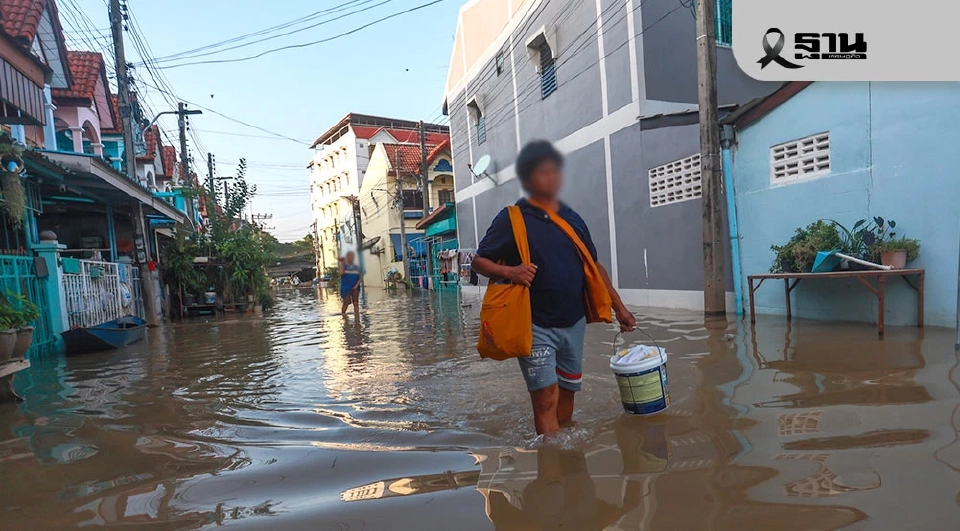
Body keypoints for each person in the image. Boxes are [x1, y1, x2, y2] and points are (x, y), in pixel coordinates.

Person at [472, 140, 637, 436]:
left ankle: (563, 461)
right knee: (546, 400)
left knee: (568, 395)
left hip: (574, 323)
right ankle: (551, 467)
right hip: (534, 325)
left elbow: (594, 266)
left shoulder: (572, 219)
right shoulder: (511, 219)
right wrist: (511, 271)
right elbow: (478, 262)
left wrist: (620, 308)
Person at [339, 251, 362, 318]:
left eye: (352, 256)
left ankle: (357, 318)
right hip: (345, 288)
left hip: (355, 288)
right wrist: (342, 264)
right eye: (349, 256)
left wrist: (356, 285)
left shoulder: (357, 267)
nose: (351, 258)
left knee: (356, 303)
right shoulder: (344, 266)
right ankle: (344, 317)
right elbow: (340, 273)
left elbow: (360, 278)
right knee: (346, 303)